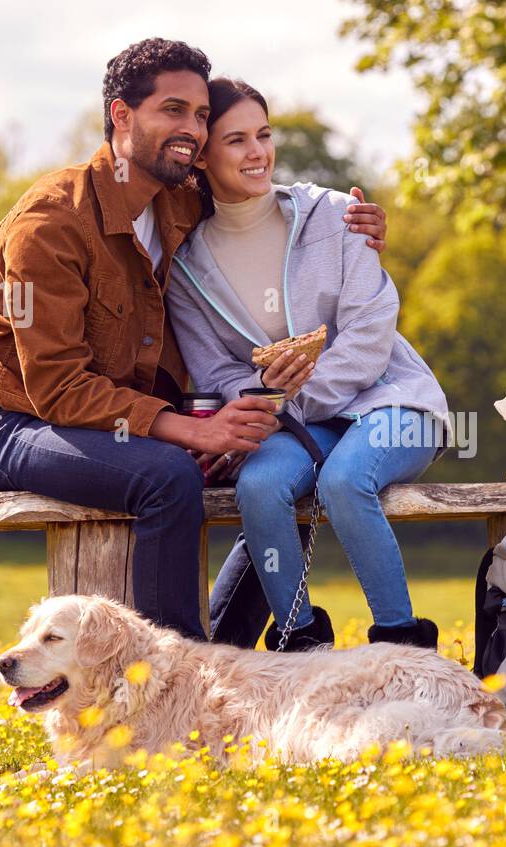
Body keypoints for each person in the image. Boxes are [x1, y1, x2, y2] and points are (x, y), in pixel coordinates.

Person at [0, 39, 388, 641]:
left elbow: (263, 187)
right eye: (174, 110)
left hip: (123, 415)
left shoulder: (181, 197)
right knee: (166, 477)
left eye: (202, 115)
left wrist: (354, 220)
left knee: (286, 461)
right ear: (121, 116)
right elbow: (55, 386)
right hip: (13, 421)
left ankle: (226, 663)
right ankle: (171, 675)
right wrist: (189, 429)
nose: (193, 129)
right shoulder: (49, 224)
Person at [166, 78, 449, 653]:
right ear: (202, 157)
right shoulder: (185, 265)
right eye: (237, 140)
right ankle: (300, 646)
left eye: (264, 135)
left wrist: (289, 400)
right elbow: (215, 371)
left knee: (346, 482)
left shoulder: (339, 216)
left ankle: (402, 646)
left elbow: (371, 335)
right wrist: (263, 395)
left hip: (391, 401)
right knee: (262, 484)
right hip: (293, 422)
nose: (258, 153)